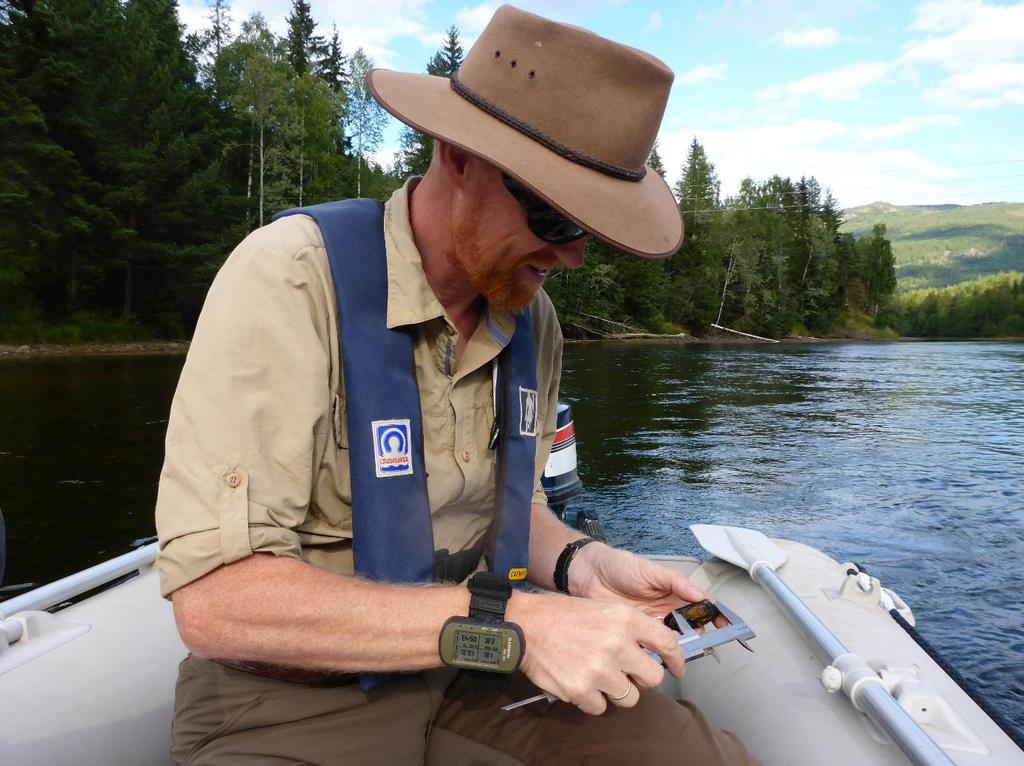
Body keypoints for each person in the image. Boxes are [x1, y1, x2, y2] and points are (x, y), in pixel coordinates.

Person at [155, 5, 757, 765]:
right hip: (287, 701)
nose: (570, 257)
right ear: (458, 156)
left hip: (475, 673)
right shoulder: (289, 277)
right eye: (551, 215)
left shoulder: (531, 319)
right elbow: (218, 602)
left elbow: (510, 506)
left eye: (586, 230)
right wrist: (521, 629)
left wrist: (580, 564)